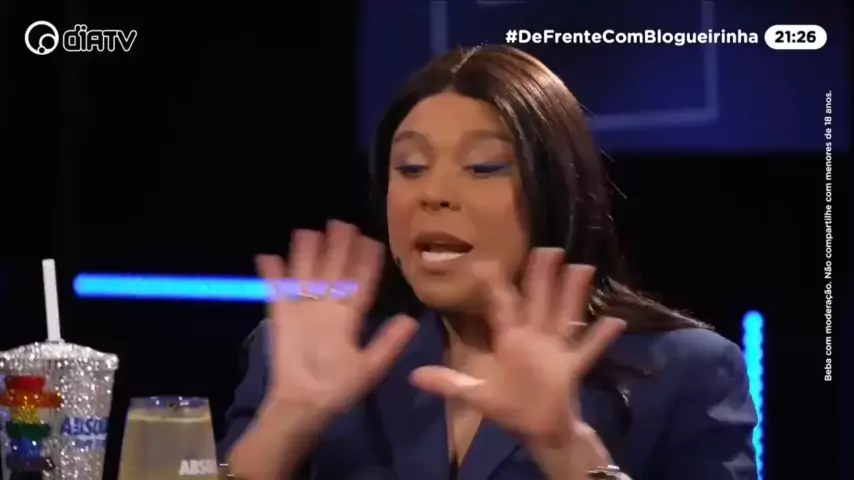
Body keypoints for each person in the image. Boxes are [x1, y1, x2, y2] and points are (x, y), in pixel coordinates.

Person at [218, 45, 757, 480]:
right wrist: (285, 424)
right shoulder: (302, 354)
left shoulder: (684, 370)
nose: (433, 193)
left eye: (482, 167)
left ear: (553, 189)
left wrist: (566, 448)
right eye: (410, 168)